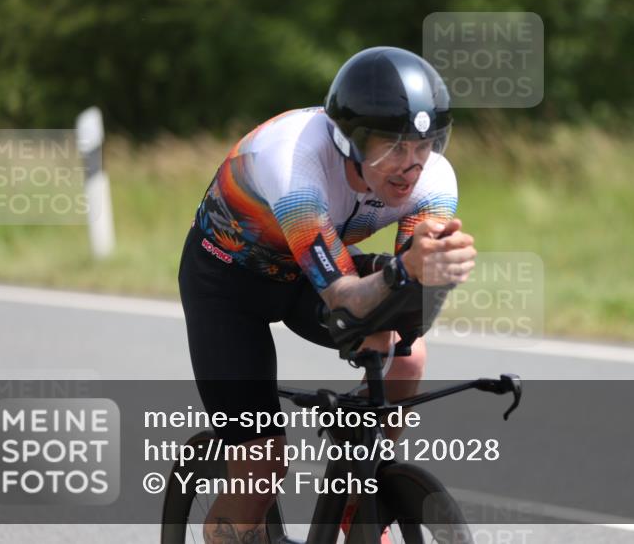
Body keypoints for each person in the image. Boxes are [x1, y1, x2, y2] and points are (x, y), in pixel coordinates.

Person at [177, 46, 477, 544]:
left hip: (305, 271)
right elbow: (343, 297)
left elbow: (408, 308)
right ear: (350, 139)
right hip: (228, 284)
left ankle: (359, 498)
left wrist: (431, 276)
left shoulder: (435, 178)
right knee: (260, 462)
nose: (411, 165)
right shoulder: (294, 160)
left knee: (406, 354)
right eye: (392, 147)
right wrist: (404, 268)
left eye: (424, 144)